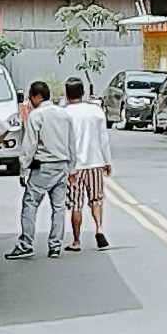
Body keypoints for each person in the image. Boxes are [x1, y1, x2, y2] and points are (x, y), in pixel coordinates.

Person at [10, 82, 79, 259]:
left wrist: (23, 168)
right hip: (62, 165)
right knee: (58, 207)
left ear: (37, 96)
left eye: (30, 97)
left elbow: (30, 145)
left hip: (43, 166)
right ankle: (55, 245)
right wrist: (72, 167)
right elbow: (72, 142)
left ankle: (26, 243)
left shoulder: (36, 116)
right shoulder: (64, 115)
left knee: (30, 203)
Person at [63, 76, 115, 248]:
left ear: (67, 94)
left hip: (74, 167)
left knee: (75, 204)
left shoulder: (64, 113)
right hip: (95, 163)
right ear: (83, 92)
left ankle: (77, 241)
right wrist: (107, 161)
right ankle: (99, 228)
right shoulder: (96, 111)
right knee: (96, 200)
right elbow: (103, 139)